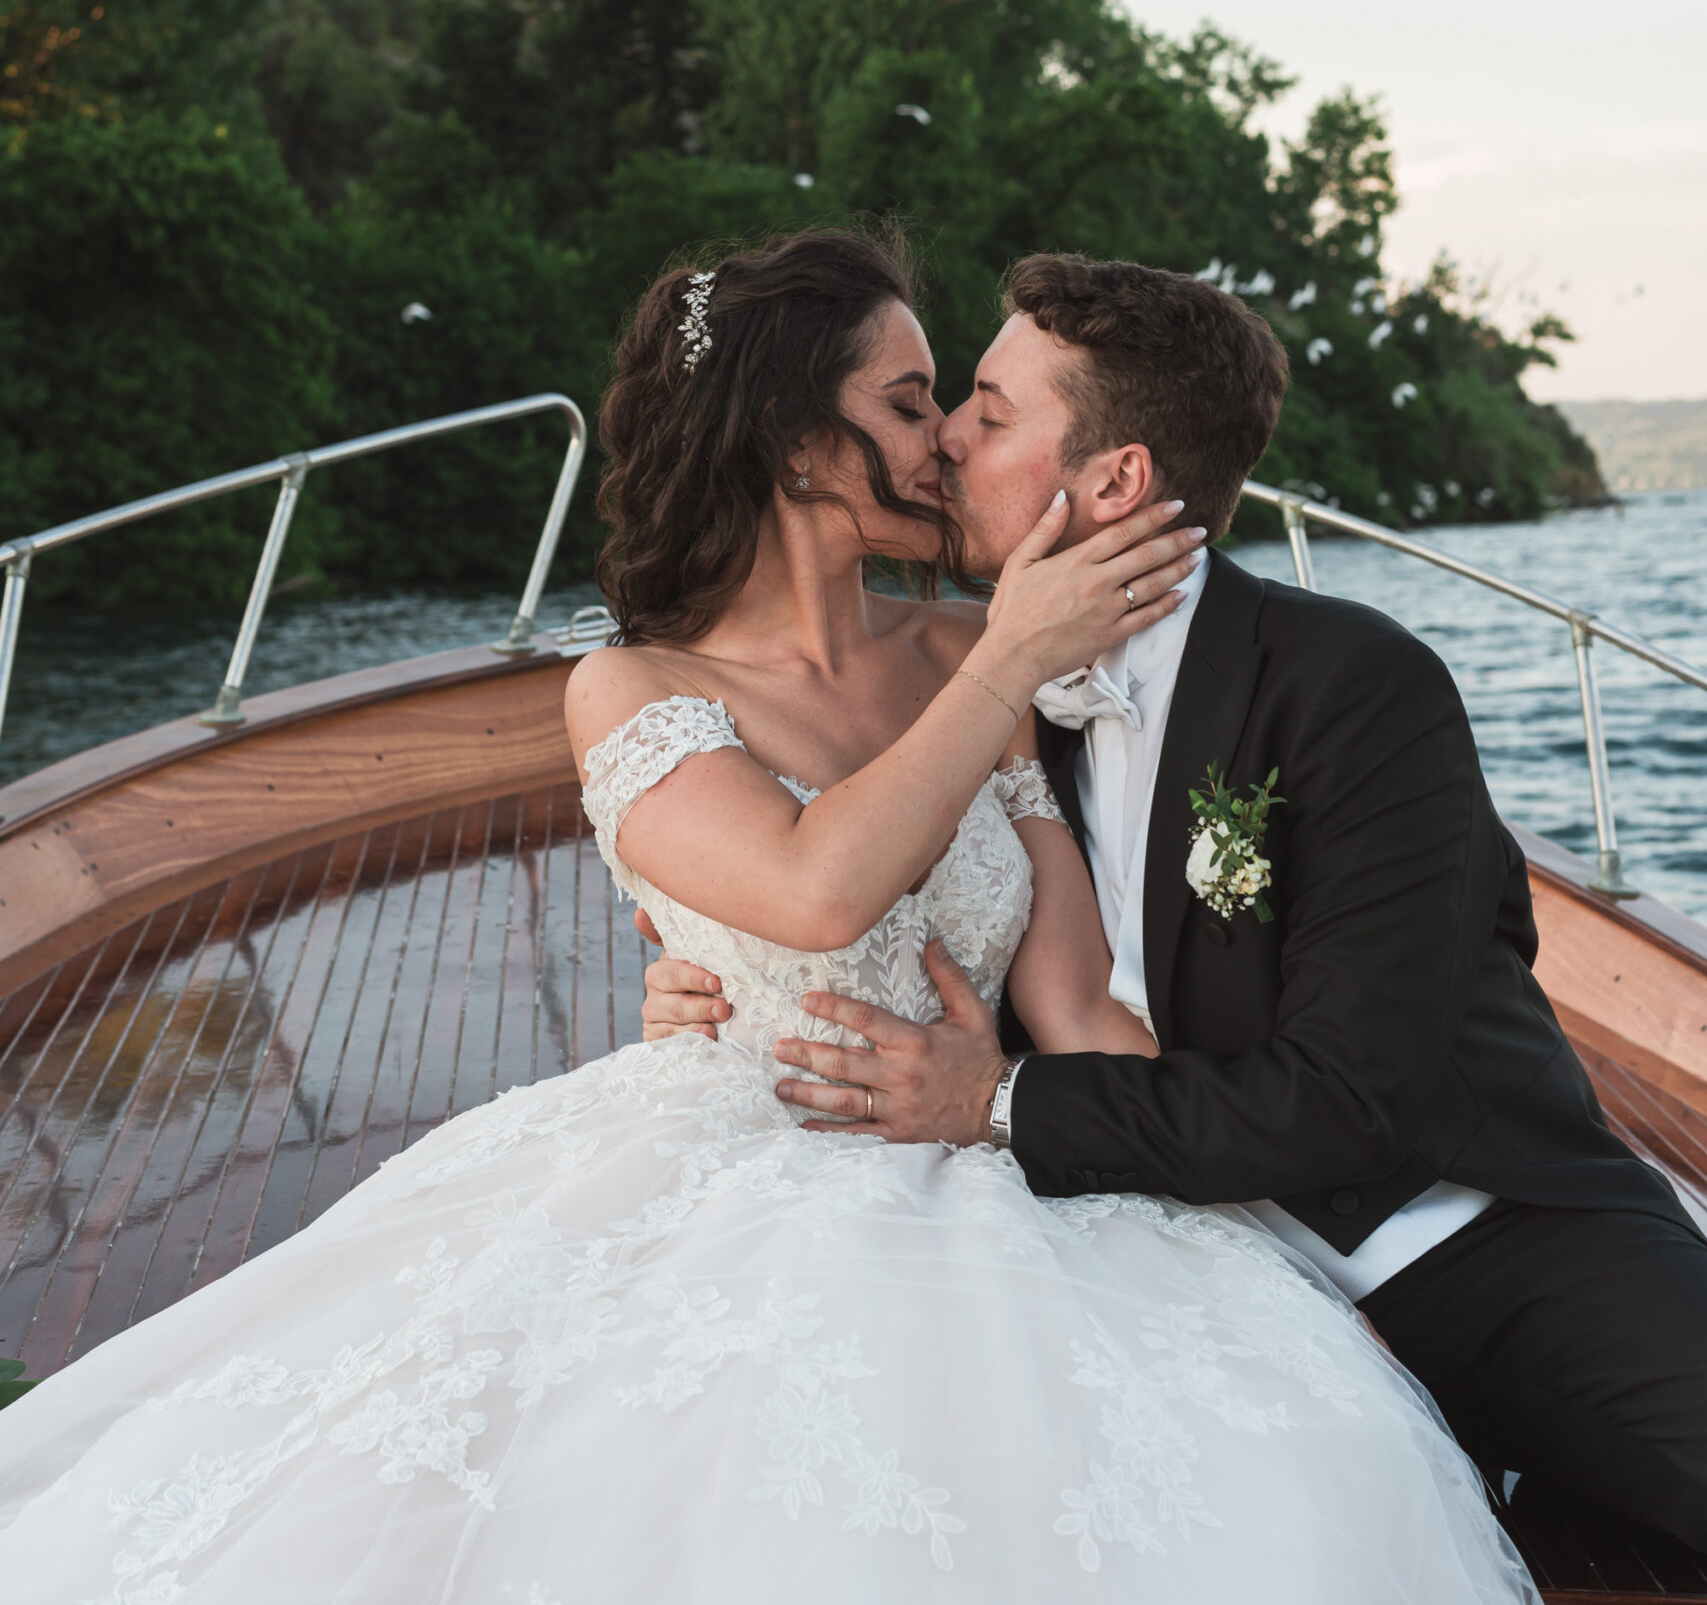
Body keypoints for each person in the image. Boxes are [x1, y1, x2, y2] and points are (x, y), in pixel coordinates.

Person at [0, 230, 1533, 1603]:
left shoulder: (965, 649)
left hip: (981, 1144)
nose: (947, 441)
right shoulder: (637, 688)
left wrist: (1306, 1234)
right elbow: (809, 896)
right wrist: (1001, 663)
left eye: (951, 403)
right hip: (722, 1150)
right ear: (804, 443)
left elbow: (1081, 1007)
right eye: (914, 402)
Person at [645, 251, 1707, 1554]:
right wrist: (723, 983)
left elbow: (1350, 1101)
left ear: (1116, 482)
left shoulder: (1351, 688)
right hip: (1116, 1232)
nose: (946, 447)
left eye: (985, 411)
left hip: (1446, 1242)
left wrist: (992, 1101)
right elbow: (888, 910)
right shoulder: (978, 688)